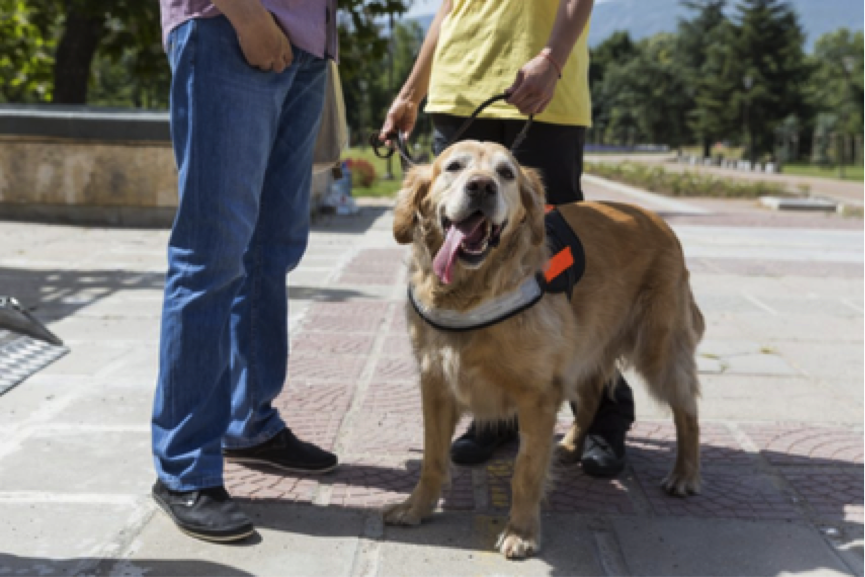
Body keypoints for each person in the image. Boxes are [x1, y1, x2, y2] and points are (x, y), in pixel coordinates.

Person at [380, 0, 635, 477]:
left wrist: (554, 59)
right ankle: (496, 417)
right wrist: (412, 93)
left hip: (543, 88)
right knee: (467, 275)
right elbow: (448, 9)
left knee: (562, 278)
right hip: (458, 91)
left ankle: (602, 413)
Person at [151, 0, 338, 543]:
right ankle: (184, 469)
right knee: (210, 254)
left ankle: (249, 422)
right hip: (230, 26)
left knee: (269, 252)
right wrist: (245, 14)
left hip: (306, 42)